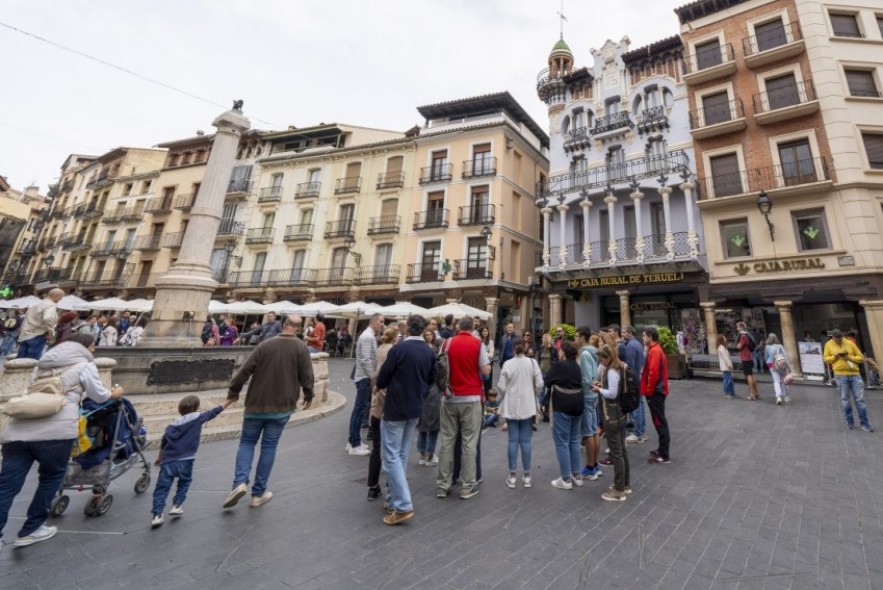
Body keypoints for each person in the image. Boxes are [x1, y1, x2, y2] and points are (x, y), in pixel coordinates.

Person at [0, 333, 124, 548]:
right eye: (93, 347)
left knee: (7, 485)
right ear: (84, 347)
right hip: (54, 431)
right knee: (51, 477)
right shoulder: (84, 365)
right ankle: (32, 529)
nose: (94, 351)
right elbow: (99, 396)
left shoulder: (42, 363)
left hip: (18, 429)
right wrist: (116, 393)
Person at [223, 315, 315, 509]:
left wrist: (234, 391)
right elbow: (307, 375)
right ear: (298, 329)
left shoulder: (265, 345)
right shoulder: (301, 348)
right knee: (269, 447)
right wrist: (309, 394)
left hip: (256, 403)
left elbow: (244, 371)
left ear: (284, 326)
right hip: (282, 406)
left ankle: (239, 483)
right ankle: (258, 494)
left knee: (247, 442)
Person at [374, 315, 436, 525]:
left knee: (391, 456)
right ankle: (392, 500)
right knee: (400, 456)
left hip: (396, 407)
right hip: (414, 408)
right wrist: (420, 393)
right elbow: (431, 378)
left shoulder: (399, 349)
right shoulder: (428, 350)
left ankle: (402, 505)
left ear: (407, 329)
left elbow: (383, 378)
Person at [151, 395, 234, 527]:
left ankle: (157, 515)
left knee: (161, 488)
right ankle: (177, 505)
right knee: (184, 482)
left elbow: (163, 443)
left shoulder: (171, 426)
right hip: (186, 459)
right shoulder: (198, 418)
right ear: (196, 407)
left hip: (168, 461)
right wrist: (229, 401)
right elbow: (215, 411)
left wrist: (159, 458)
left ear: (180, 410)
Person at [436, 316, 491, 500]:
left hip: (449, 397)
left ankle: (443, 485)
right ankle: (468, 486)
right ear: (472, 327)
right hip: (471, 397)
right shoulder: (477, 344)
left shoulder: (447, 343)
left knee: (447, 441)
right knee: (469, 442)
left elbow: (440, 367)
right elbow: (485, 371)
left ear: (459, 327)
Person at [497, 341, 543, 489]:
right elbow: (540, 384)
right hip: (528, 404)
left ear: (513, 349)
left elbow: (501, 387)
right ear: (526, 349)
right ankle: (527, 475)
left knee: (512, 440)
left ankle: (512, 475)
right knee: (526, 441)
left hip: (511, 405)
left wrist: (504, 395)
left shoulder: (508, 364)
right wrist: (533, 394)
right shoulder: (532, 362)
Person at [592, 344, 631, 502]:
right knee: (621, 449)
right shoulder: (617, 368)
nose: (600, 361)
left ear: (608, 358)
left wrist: (599, 390)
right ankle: (624, 484)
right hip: (618, 414)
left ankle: (619, 489)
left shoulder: (612, 371)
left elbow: (613, 393)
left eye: (602, 358)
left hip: (612, 415)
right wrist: (603, 386)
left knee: (616, 452)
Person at [544, 341, 584, 490]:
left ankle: (566, 478)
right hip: (578, 403)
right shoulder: (577, 365)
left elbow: (547, 381)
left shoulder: (560, 366)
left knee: (562, 441)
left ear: (564, 352)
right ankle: (577, 475)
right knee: (574, 439)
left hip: (563, 404)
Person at [347, 313, 384, 456]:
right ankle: (354, 443)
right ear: (374, 321)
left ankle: (353, 440)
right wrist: (373, 377)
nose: (382, 324)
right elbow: (365, 359)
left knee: (358, 410)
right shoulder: (368, 337)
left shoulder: (368, 335)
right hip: (364, 378)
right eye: (380, 321)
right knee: (360, 410)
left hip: (363, 377)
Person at [823, 329, 873, 432]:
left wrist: (849, 358)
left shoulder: (849, 342)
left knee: (860, 400)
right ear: (833, 338)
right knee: (845, 400)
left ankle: (865, 424)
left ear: (842, 336)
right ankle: (850, 423)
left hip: (855, 375)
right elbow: (826, 359)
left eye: (840, 339)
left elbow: (860, 358)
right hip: (840, 376)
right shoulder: (828, 344)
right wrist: (835, 357)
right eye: (836, 339)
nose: (838, 341)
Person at [367, 328, 397, 501]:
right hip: (387, 405)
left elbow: (373, 376)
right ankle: (391, 485)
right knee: (392, 450)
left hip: (375, 403)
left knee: (376, 449)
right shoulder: (393, 352)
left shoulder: (377, 350)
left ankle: (372, 486)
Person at [574, 327, 601, 480]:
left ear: (583, 337)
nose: (575, 339)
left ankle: (590, 467)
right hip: (594, 394)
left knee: (588, 433)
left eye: (576, 336)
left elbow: (585, 378)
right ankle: (595, 464)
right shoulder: (593, 352)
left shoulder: (584, 354)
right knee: (594, 430)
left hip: (586, 395)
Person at [642, 327, 671, 464]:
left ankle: (664, 454)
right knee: (659, 420)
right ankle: (661, 449)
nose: (643, 338)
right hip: (658, 390)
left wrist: (648, 390)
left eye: (644, 336)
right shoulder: (655, 349)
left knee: (659, 422)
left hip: (656, 392)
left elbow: (653, 373)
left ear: (650, 336)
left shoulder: (655, 351)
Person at [16, 288, 64, 360]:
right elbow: (48, 318)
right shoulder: (50, 305)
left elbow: (26, 317)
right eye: (60, 297)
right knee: (31, 361)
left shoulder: (37, 304)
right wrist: (51, 332)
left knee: (20, 359)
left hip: (25, 334)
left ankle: (17, 371)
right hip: (37, 334)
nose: (61, 299)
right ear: (56, 295)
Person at [417, 334, 441, 468]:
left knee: (422, 424)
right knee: (433, 426)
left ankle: (422, 454)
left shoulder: (418, 357)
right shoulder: (434, 358)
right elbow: (438, 375)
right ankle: (430, 454)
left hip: (420, 391)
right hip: (432, 391)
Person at [621, 326, 647, 443]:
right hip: (639, 377)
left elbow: (629, 364)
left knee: (635, 405)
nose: (623, 334)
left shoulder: (631, 346)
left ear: (630, 333)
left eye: (624, 332)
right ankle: (642, 430)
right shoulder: (638, 344)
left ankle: (638, 432)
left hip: (633, 378)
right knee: (640, 404)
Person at [736, 322, 761, 400]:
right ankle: (756, 392)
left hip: (745, 358)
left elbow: (739, 347)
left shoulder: (743, 336)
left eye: (737, 327)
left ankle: (752, 393)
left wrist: (737, 345)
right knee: (752, 375)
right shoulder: (748, 334)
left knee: (748, 376)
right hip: (750, 357)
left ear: (741, 327)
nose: (736, 328)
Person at [764, 333, 791, 406]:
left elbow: (766, 357)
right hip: (781, 364)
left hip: (771, 364)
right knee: (783, 380)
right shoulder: (780, 346)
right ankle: (786, 396)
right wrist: (789, 367)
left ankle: (778, 396)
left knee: (776, 381)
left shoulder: (767, 347)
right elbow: (785, 357)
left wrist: (769, 362)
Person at [537, 332, 556, 422]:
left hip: (549, 373)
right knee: (541, 391)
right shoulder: (541, 348)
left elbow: (555, 360)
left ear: (548, 338)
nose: (542, 339)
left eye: (544, 337)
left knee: (548, 392)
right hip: (541, 372)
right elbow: (539, 359)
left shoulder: (552, 349)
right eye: (542, 337)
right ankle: (541, 410)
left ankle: (545, 407)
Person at [717, 334, 736, 399]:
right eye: (724, 338)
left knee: (729, 380)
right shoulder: (721, 348)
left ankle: (732, 393)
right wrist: (729, 365)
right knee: (727, 380)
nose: (725, 339)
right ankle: (727, 393)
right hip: (726, 366)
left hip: (726, 366)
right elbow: (725, 358)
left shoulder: (722, 347)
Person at [479, 326, 495, 396]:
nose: (485, 333)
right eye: (483, 331)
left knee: (488, 382)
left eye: (486, 331)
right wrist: (486, 353)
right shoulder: (479, 341)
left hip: (488, 363)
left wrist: (483, 353)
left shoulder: (491, 342)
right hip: (481, 364)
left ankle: (488, 398)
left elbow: (491, 354)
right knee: (481, 381)